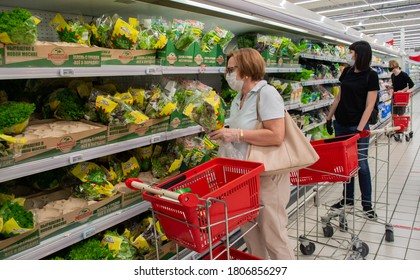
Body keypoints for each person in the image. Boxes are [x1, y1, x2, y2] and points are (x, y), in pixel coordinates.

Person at [207, 48, 294, 260]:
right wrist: (223, 133)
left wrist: (236, 134)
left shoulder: (267, 94)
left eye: (231, 70)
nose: (227, 74)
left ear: (246, 70)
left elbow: (276, 135)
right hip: (242, 177)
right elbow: (242, 132)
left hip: (265, 177)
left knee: (274, 238)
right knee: (252, 237)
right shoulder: (239, 98)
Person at [325, 40, 379, 219]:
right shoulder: (347, 71)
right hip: (341, 124)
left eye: (351, 52)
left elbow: (370, 105)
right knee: (345, 165)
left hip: (357, 126)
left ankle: (367, 205)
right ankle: (347, 199)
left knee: (362, 165)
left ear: (360, 54)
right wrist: (329, 116)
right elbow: (339, 96)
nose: (349, 55)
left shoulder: (371, 76)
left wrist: (360, 129)